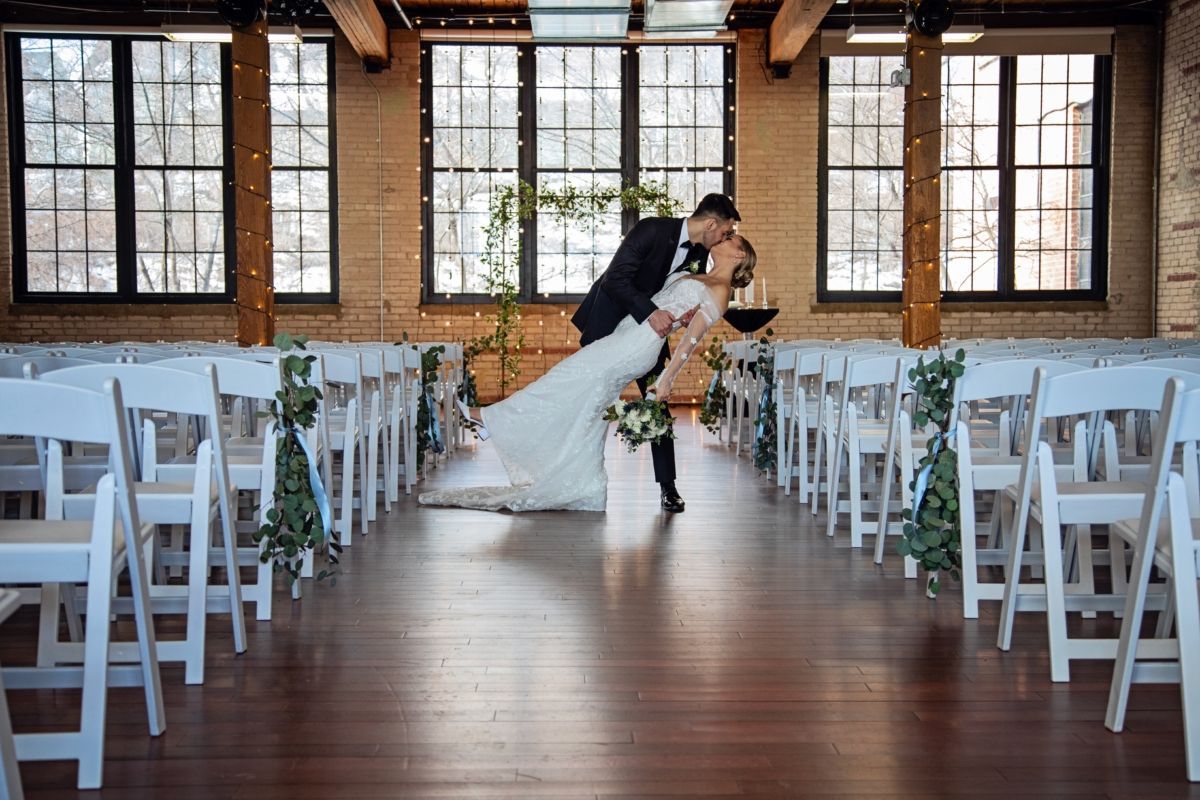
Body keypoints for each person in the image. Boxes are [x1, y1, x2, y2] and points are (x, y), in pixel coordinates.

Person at [418, 234, 758, 514]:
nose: (722, 237)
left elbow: (691, 340)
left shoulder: (720, 290)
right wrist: (678, 315)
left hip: (638, 345)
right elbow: (678, 312)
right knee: (589, 407)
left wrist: (667, 378)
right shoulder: (701, 275)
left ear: (739, 253)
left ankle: (491, 418)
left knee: (564, 378)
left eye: (730, 237)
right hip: (628, 333)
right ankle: (586, 486)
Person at [572, 193, 742, 513]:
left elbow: (681, 289)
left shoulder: (701, 252)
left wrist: (685, 312)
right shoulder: (650, 230)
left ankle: (668, 487)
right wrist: (651, 312)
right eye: (725, 230)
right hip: (611, 326)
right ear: (710, 223)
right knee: (590, 401)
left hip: (650, 339)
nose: (726, 236)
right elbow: (614, 279)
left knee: (656, 406)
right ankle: (575, 472)